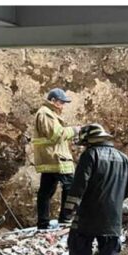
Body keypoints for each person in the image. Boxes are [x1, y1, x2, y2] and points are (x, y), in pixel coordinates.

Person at [61, 124, 128, 255]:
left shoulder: (90, 155)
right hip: (112, 215)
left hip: (89, 213)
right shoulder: (121, 157)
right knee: (110, 253)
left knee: (79, 249)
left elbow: (79, 184)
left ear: (89, 141)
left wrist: (68, 210)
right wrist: (119, 196)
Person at [32, 88, 81, 230]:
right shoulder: (46, 113)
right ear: (53, 100)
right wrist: (75, 130)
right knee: (71, 186)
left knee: (46, 191)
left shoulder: (48, 113)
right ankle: (65, 218)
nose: (63, 105)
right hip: (55, 158)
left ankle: (43, 223)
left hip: (51, 158)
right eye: (61, 102)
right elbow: (56, 135)